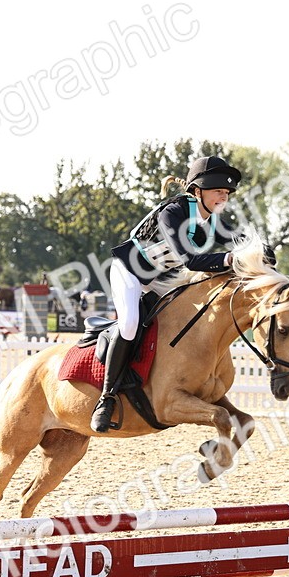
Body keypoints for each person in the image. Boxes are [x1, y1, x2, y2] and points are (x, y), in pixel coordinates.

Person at [91, 155, 263, 433]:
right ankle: (107, 397)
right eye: (219, 191)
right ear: (197, 191)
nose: (224, 197)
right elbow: (191, 261)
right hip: (130, 273)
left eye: (227, 193)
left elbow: (239, 239)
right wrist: (233, 258)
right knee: (131, 323)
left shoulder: (211, 219)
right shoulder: (172, 213)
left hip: (161, 278)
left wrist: (261, 250)